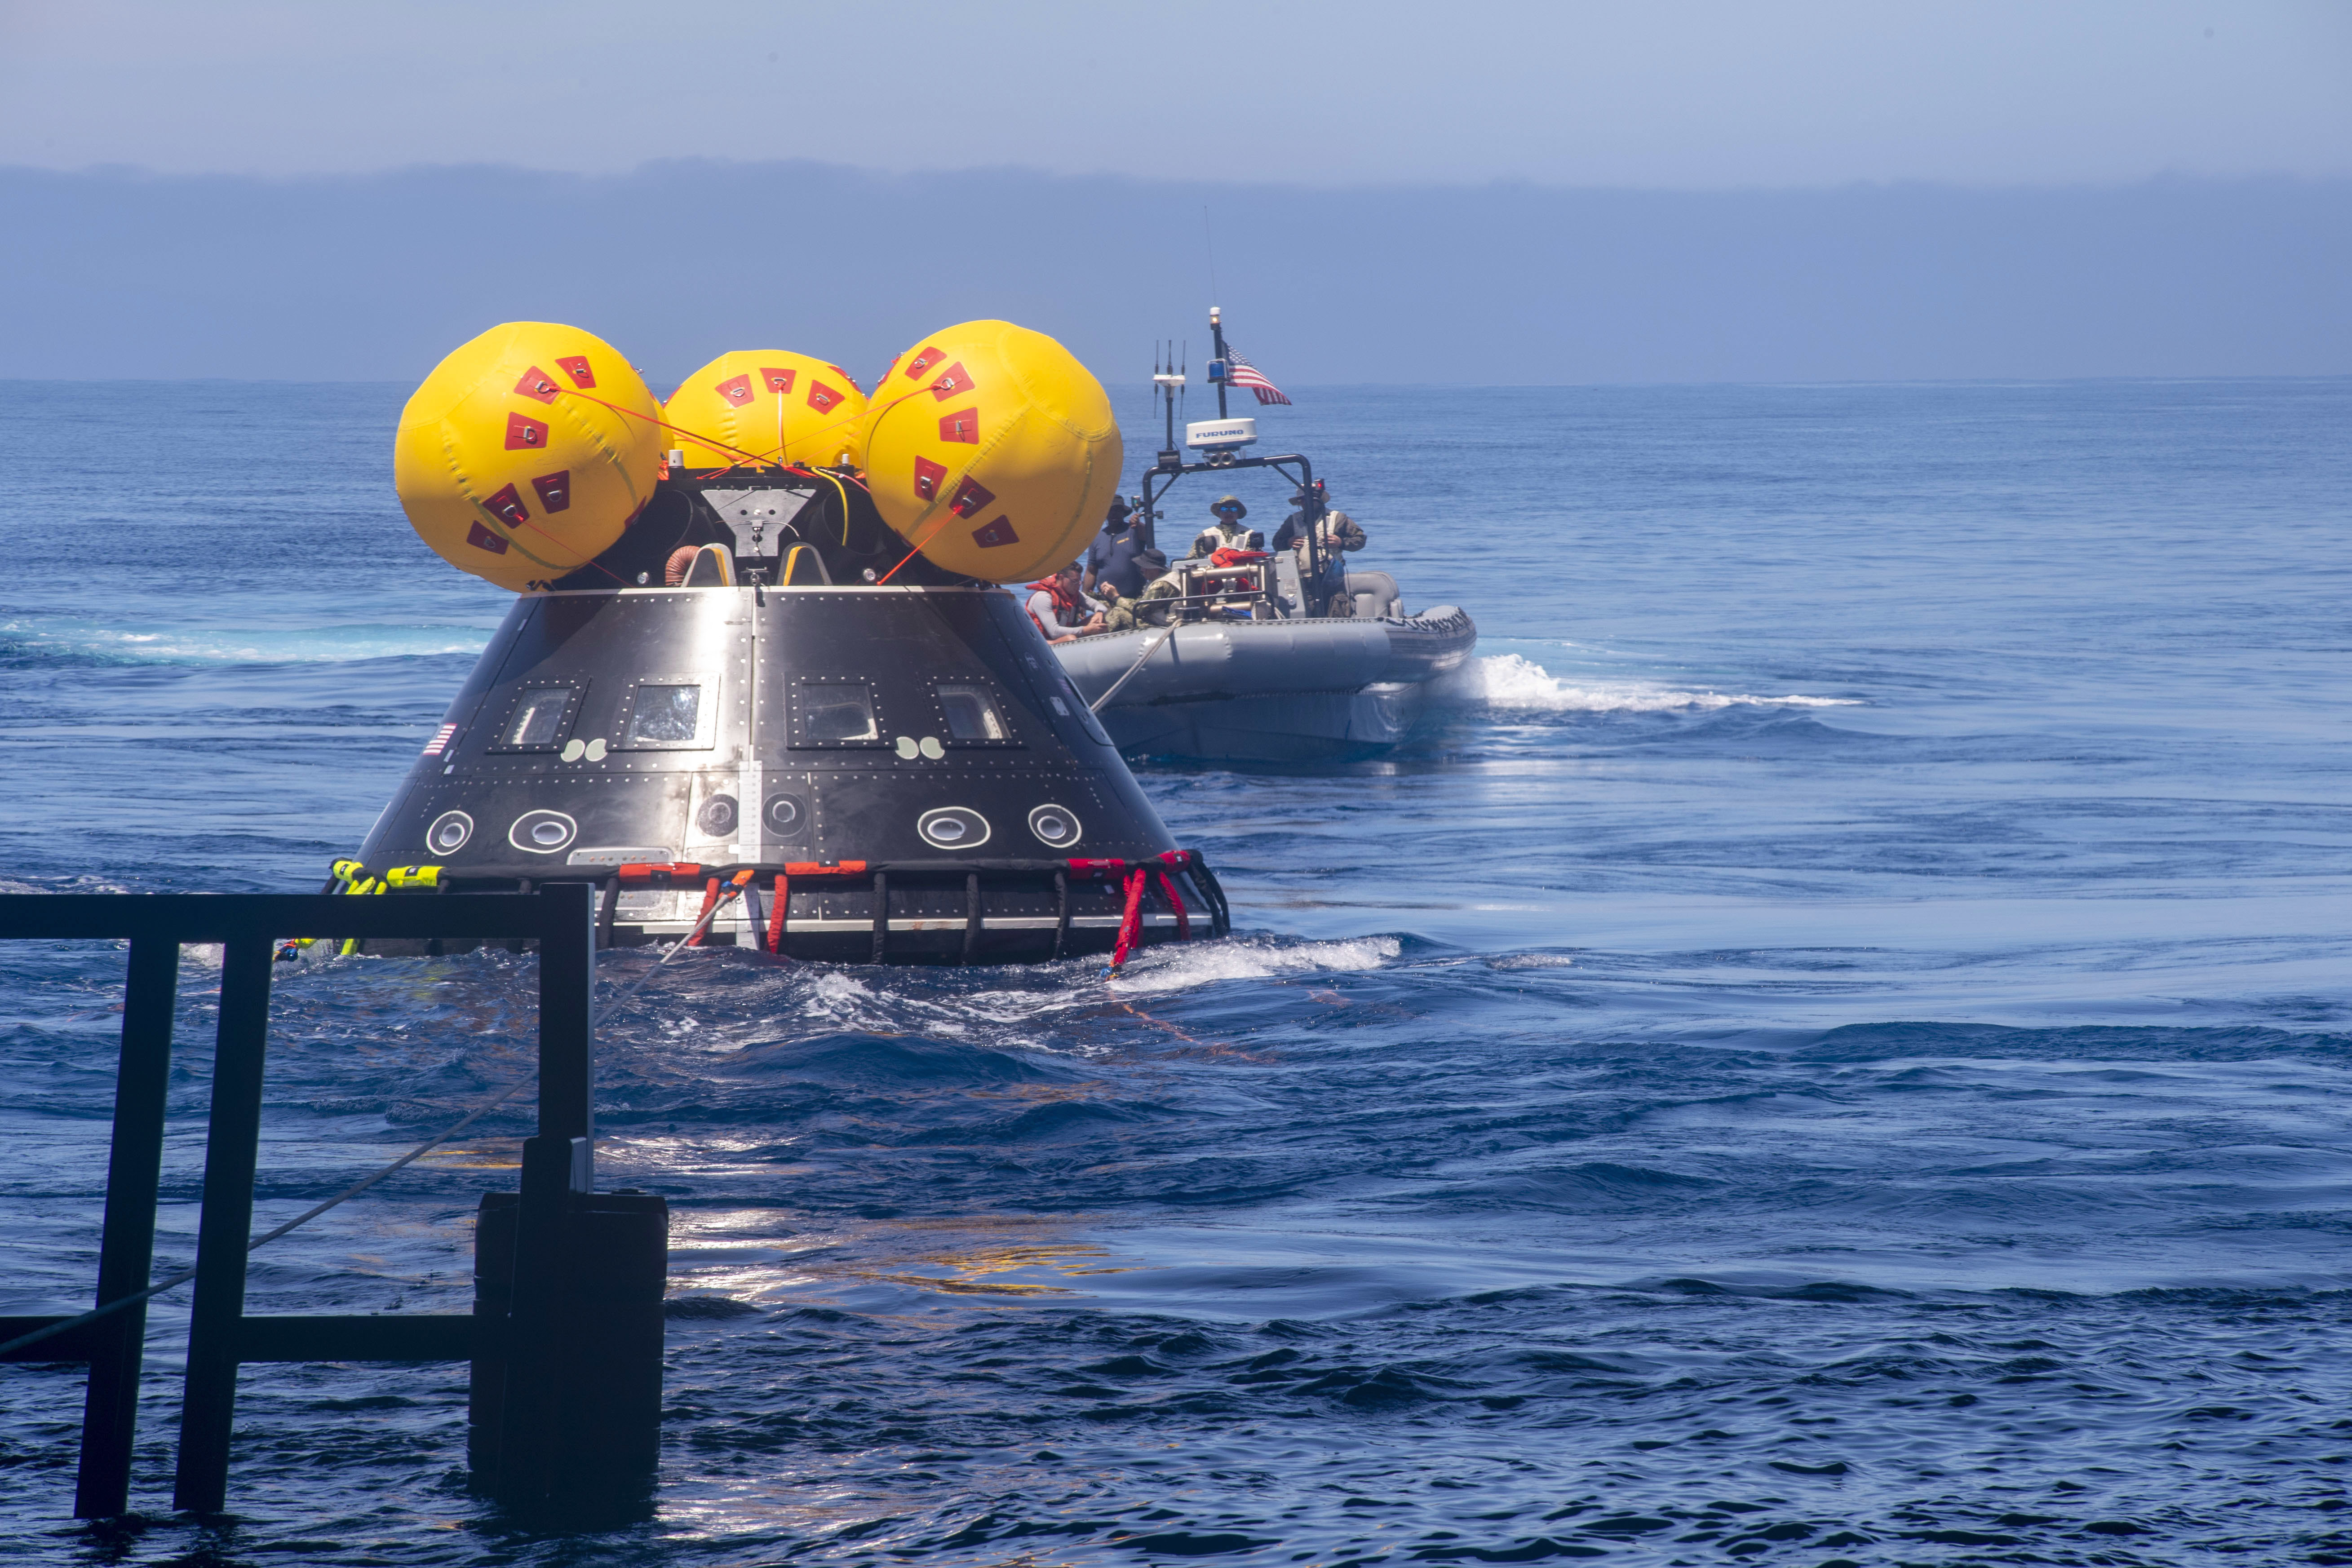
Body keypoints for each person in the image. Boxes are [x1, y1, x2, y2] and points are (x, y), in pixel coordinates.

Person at [1271, 484, 1366, 612]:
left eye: (1310, 498)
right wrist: (1289, 542)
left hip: (1333, 579)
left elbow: (1360, 540)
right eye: (1302, 500)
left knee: (1338, 613)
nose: (1306, 502)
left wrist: (1341, 543)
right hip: (1305, 580)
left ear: (1319, 499)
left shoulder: (1338, 518)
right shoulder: (1293, 520)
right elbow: (1277, 543)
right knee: (1307, 614)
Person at [1082, 497, 1151, 598]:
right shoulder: (1097, 538)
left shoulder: (1134, 531)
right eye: (1111, 510)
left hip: (1134, 598)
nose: (1114, 513)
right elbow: (1091, 571)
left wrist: (1138, 524)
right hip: (1105, 600)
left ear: (1124, 513)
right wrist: (1084, 598)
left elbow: (1148, 535)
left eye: (1118, 510)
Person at [1023, 563, 1105, 642]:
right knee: (1070, 639)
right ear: (1062, 578)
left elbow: (1100, 606)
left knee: (1100, 621)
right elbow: (1054, 632)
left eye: (1080, 581)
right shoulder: (1043, 597)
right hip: (1040, 642)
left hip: (1064, 635)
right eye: (1075, 581)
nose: (1078, 585)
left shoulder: (1077, 595)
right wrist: (1085, 630)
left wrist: (1099, 613)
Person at [1188, 495, 1263, 559]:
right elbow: (1192, 559)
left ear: (1238, 513)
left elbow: (1256, 558)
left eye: (1233, 509)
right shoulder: (1205, 535)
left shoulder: (1250, 535)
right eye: (1224, 509)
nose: (1229, 513)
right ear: (1219, 512)